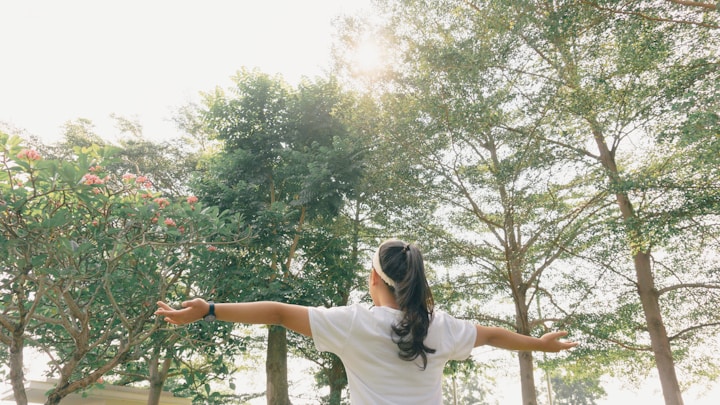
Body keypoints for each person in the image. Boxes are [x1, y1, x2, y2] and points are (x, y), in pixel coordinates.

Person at [155, 238, 577, 404]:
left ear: (374, 277)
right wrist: (540, 344)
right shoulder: (441, 325)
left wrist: (209, 309)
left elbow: (278, 312)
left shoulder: (355, 323)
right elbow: (495, 336)